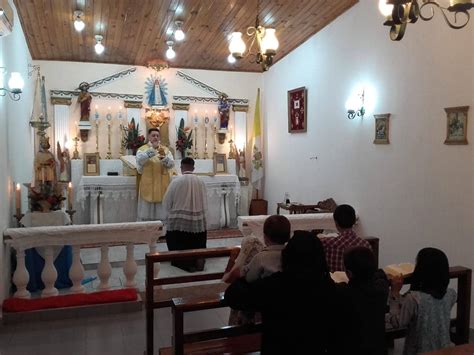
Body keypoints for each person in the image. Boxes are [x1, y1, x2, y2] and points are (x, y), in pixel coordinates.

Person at [224, 231, 339, 354]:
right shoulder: (330, 288)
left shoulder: (275, 285)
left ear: (287, 256)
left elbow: (232, 296)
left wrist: (244, 278)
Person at [386, 247, 457, 355]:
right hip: (444, 350)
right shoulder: (451, 294)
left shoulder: (413, 299)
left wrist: (394, 294)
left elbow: (397, 322)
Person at [223, 215, 290, 325]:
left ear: (265, 237)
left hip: (263, 305)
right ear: (288, 237)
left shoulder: (261, 257)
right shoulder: (291, 254)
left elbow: (249, 278)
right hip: (284, 305)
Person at [335, 246, 389, 355]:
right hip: (377, 348)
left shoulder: (344, 292)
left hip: (350, 348)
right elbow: (381, 275)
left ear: (349, 273)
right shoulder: (382, 288)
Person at [163, 157, 207, 272]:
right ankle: (198, 257)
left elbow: (167, 201)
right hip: (197, 220)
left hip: (179, 222)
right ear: (193, 168)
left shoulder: (176, 181)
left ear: (181, 168)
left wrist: (169, 215)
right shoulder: (201, 181)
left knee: (174, 237)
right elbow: (205, 201)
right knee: (199, 238)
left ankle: (183, 261)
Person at [136, 127, 175, 221]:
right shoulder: (142, 149)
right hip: (148, 183)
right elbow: (140, 161)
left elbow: (171, 165)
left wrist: (164, 158)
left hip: (162, 183)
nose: (155, 138)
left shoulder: (165, 150)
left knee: (161, 208)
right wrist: (152, 150)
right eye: (153, 135)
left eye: (157, 135)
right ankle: (147, 231)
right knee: (147, 208)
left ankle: (161, 231)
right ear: (149, 137)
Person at [321, 204, 371, 272]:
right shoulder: (366, 245)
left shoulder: (327, 243)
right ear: (354, 221)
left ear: (336, 223)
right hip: (357, 282)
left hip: (336, 281)